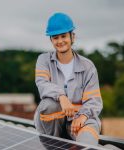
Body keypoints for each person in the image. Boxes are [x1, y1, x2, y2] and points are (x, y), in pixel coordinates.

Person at [34, 12, 103, 146]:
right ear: (51, 40)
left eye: (64, 36)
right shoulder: (43, 60)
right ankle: (53, 145)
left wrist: (83, 116)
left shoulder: (88, 66)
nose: (60, 41)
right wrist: (61, 96)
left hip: (80, 118)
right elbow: (42, 84)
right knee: (49, 105)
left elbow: (94, 100)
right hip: (52, 123)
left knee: (88, 140)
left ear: (72, 37)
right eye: (55, 38)